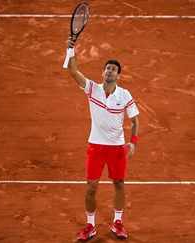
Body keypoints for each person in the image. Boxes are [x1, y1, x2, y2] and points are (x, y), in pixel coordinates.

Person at [65, 37, 139, 241]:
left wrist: (133, 141)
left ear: (118, 75)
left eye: (113, 69)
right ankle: (90, 225)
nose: (109, 71)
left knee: (119, 184)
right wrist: (70, 50)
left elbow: (134, 120)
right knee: (91, 187)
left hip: (116, 148)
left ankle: (118, 222)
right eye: (107, 68)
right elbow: (73, 71)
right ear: (103, 72)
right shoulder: (92, 89)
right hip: (96, 147)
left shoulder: (124, 95)